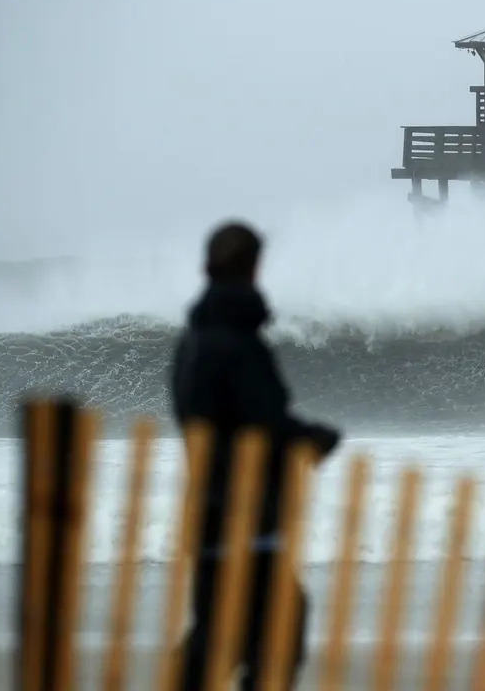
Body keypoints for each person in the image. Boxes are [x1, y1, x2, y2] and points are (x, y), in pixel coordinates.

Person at [170, 221, 340, 690]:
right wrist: (315, 437)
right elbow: (263, 423)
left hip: (208, 510)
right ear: (253, 269)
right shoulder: (236, 344)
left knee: (220, 632)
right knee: (277, 627)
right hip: (244, 515)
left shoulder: (191, 341)